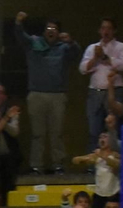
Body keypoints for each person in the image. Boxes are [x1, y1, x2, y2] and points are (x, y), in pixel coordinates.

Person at [14, 12, 78, 174]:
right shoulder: (34, 43)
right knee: (38, 134)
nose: (51, 30)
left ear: (58, 32)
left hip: (57, 96)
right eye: (48, 28)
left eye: (54, 28)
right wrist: (19, 23)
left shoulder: (64, 47)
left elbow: (76, 54)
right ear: (44, 31)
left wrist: (71, 42)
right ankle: (37, 165)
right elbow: (20, 36)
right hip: (36, 95)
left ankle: (58, 164)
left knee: (57, 133)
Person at [79, 18, 123, 149]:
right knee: (93, 129)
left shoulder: (122, 47)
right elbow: (83, 69)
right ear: (99, 30)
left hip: (115, 90)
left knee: (113, 126)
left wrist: (104, 57)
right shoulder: (92, 48)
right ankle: (93, 166)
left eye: (109, 28)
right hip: (95, 91)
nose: (105, 31)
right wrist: (95, 57)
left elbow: (122, 66)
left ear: (114, 31)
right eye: (103, 28)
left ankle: (115, 162)